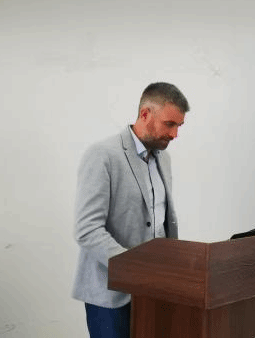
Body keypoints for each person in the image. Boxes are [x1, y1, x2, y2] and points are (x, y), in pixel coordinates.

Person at [72, 82, 189, 338]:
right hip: (109, 295)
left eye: (179, 126)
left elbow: (159, 223)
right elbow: (87, 229)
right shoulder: (102, 155)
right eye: (170, 124)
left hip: (155, 291)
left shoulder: (164, 158)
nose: (175, 134)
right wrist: (135, 271)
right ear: (145, 114)